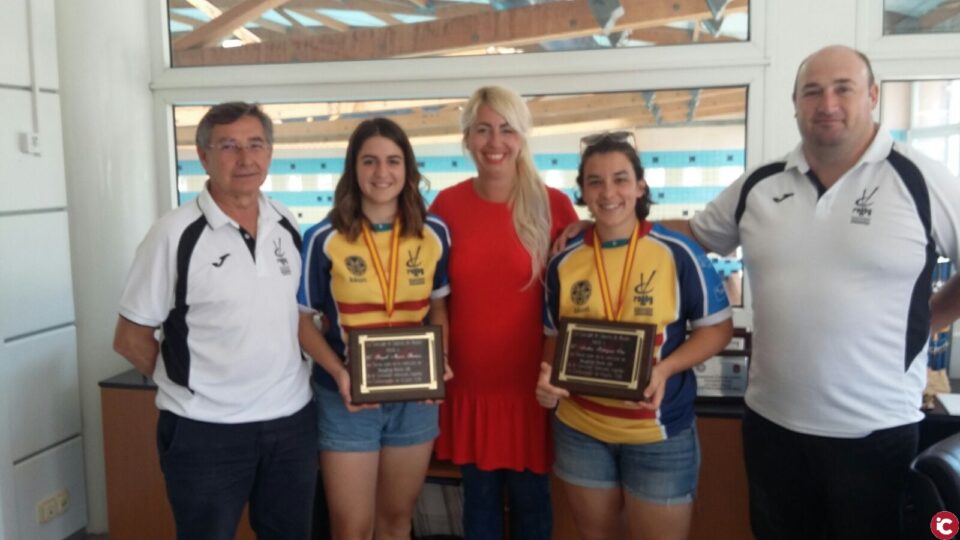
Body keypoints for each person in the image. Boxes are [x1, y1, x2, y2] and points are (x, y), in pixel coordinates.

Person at [666, 45, 960, 539]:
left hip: (878, 432)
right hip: (772, 427)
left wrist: (930, 318)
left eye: (843, 88)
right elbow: (691, 236)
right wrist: (598, 230)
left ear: (872, 96)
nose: (827, 103)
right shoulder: (761, 184)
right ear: (795, 102)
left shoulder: (920, 179)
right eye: (813, 91)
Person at [113, 102, 316, 539]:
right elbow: (130, 338)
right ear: (203, 156)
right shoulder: (173, 233)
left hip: (290, 422)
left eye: (255, 144)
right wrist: (192, 390)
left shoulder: (286, 221)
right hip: (205, 433)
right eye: (229, 146)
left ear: (270, 152)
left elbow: (289, 313)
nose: (245, 158)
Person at [535, 133, 733, 540]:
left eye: (620, 179)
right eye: (595, 181)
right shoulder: (564, 259)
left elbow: (717, 329)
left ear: (640, 187)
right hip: (581, 431)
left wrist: (667, 369)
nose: (609, 192)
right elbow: (554, 335)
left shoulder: (677, 252)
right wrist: (548, 379)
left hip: (658, 433)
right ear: (583, 192)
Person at [429, 85, 579, 539]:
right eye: (483, 130)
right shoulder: (446, 206)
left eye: (506, 130)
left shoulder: (554, 205)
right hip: (470, 383)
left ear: (522, 137)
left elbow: (578, 291)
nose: (495, 143)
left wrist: (587, 226)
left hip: (533, 385)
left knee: (533, 504)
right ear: (467, 139)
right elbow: (433, 298)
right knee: (479, 506)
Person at [297, 117, 452, 540]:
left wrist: (440, 360)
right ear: (354, 168)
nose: (381, 173)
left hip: (414, 398)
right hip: (345, 400)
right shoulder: (323, 237)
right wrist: (340, 373)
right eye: (369, 161)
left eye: (393, 161)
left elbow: (438, 309)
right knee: (351, 528)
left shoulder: (434, 233)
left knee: (396, 520)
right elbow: (302, 325)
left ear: (408, 169)